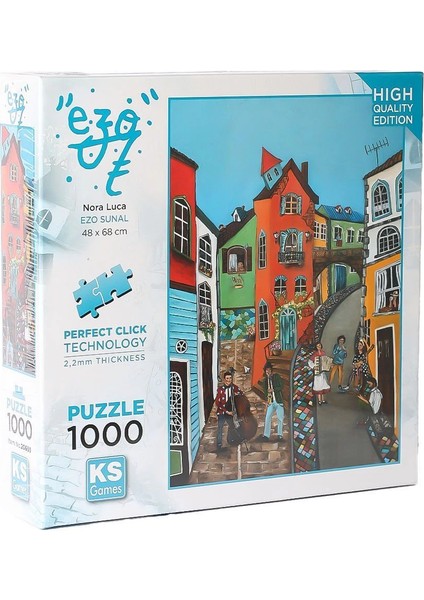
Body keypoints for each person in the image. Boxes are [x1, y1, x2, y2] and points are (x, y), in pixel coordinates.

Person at [214, 371, 242, 453]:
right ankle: (219, 445)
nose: (229, 380)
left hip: (231, 411)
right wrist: (226, 411)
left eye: (230, 378)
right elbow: (217, 403)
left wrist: (237, 395)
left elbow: (241, 393)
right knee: (220, 428)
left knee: (232, 426)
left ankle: (230, 440)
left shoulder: (234, 387)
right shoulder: (220, 390)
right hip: (222, 412)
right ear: (224, 379)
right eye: (227, 378)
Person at [256, 362, 285, 442]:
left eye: (269, 370)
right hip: (271, 402)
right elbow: (265, 391)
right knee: (267, 417)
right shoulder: (265, 380)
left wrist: (273, 389)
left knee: (280, 418)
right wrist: (267, 398)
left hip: (278, 401)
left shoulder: (276, 377)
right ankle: (266, 435)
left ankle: (280, 435)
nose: (268, 371)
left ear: (271, 370)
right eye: (266, 370)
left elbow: (281, 386)